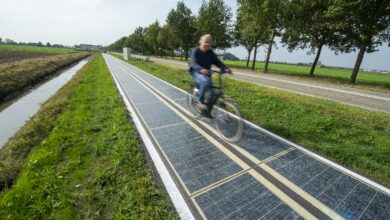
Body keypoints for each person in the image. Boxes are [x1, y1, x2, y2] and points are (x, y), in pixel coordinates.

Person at [189, 34, 231, 117]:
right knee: (206, 81)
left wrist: (225, 68)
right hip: (196, 72)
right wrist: (201, 69)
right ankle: (199, 101)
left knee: (213, 92)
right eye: (206, 42)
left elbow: (217, 62)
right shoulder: (195, 51)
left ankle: (206, 111)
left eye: (209, 42)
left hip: (207, 74)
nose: (207, 44)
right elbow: (193, 63)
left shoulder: (210, 52)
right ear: (201, 42)